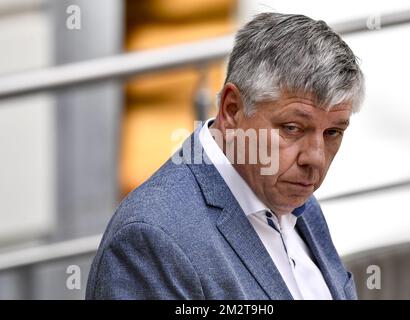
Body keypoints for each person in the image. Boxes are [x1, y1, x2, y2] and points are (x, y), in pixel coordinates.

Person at [86, 12, 365, 300]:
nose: (316, 159)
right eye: (292, 128)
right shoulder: (151, 238)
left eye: (333, 132)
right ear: (232, 110)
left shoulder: (294, 196)